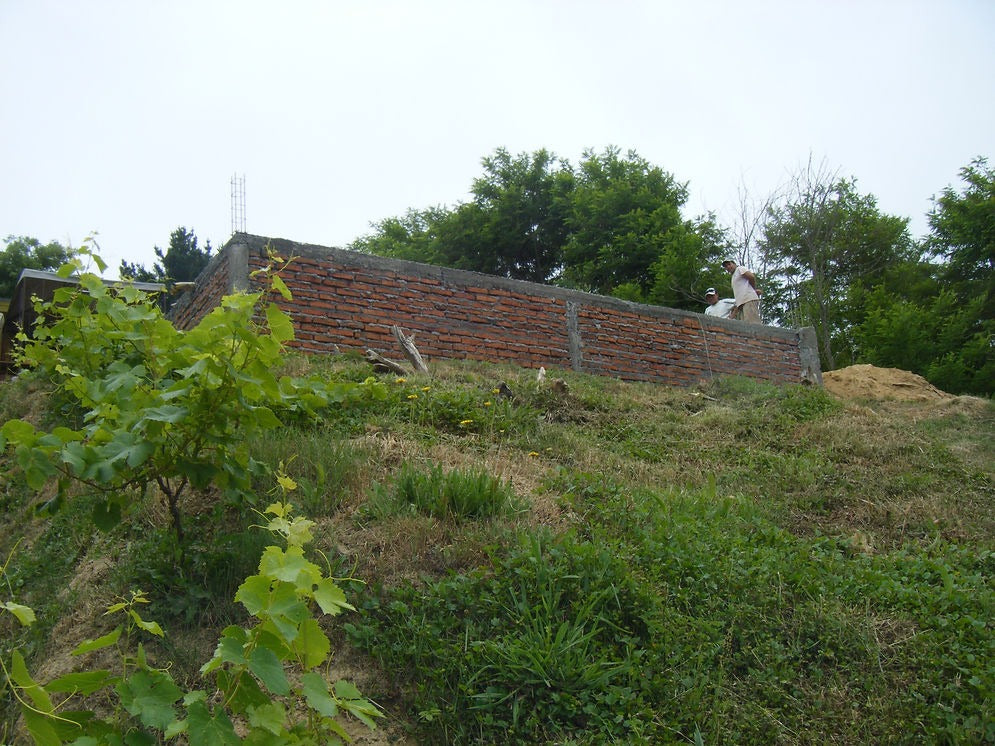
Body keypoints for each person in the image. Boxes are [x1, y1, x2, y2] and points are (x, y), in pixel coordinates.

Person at [721, 258, 762, 323]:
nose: (728, 267)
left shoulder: (739, 269)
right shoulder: (733, 277)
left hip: (748, 299)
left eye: (729, 264)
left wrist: (753, 290)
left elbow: (751, 277)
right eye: (726, 266)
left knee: (753, 323)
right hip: (741, 304)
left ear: (734, 264)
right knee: (745, 326)